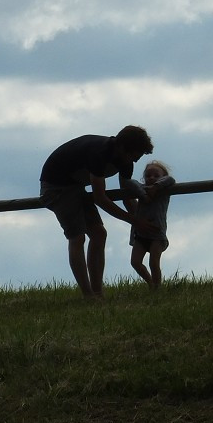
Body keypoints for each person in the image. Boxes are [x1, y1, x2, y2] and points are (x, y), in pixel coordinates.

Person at [39, 126, 159, 299]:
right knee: (77, 237)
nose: (135, 161)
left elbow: (127, 195)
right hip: (55, 189)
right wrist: (135, 221)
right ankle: (89, 295)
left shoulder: (126, 161)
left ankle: (98, 293)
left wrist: (140, 221)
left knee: (99, 233)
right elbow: (100, 198)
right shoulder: (99, 153)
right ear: (122, 147)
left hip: (75, 187)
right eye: (134, 155)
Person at [127, 160, 176, 290]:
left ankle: (157, 288)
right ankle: (151, 283)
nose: (152, 178)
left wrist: (156, 187)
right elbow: (131, 183)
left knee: (154, 263)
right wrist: (143, 194)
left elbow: (171, 179)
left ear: (162, 177)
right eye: (148, 175)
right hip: (141, 234)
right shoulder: (141, 189)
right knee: (135, 262)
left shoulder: (164, 190)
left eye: (156, 175)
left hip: (157, 234)